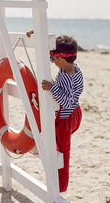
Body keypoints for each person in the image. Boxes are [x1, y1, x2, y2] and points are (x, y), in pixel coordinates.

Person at [26, 30, 83, 192]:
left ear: (61, 58)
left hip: (67, 117)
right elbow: (49, 51)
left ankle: (60, 187)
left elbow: (66, 101)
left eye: (54, 58)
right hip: (74, 113)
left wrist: (52, 87)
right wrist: (36, 34)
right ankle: (38, 147)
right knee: (52, 137)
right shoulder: (72, 68)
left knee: (63, 152)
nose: (52, 60)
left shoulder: (67, 76)